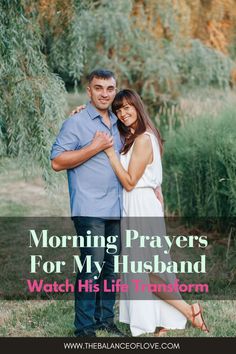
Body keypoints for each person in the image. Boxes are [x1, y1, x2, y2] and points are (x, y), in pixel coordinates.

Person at [102, 88, 209, 336]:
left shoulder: (142, 139)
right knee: (151, 267)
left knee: (145, 271)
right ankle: (162, 322)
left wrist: (110, 154)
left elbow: (129, 181)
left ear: (137, 106)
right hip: (138, 204)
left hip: (140, 206)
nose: (122, 113)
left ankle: (188, 310)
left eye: (127, 107)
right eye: (118, 110)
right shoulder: (137, 136)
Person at [50, 69, 124, 337]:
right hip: (89, 208)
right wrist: (93, 147)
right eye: (98, 88)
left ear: (115, 90)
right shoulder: (76, 123)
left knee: (110, 269)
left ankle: (105, 320)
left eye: (110, 88)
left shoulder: (119, 122)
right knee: (91, 269)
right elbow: (57, 162)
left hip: (116, 208)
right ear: (89, 91)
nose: (104, 93)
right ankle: (84, 328)